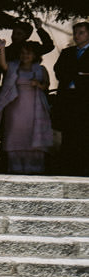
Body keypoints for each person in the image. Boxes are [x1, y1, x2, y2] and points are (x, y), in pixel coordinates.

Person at [0, 42, 53, 174]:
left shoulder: (40, 69)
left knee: (31, 132)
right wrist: (2, 48)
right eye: (22, 53)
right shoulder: (14, 66)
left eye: (28, 53)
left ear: (35, 55)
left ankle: (34, 167)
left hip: (34, 106)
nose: (25, 55)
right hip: (15, 106)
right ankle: (16, 167)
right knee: (14, 133)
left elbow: (46, 85)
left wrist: (38, 84)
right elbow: (3, 65)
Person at [54, 21, 89, 175]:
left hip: (85, 99)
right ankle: (67, 166)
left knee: (83, 133)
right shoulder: (67, 53)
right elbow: (59, 70)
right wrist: (78, 74)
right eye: (75, 33)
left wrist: (79, 74)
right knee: (68, 132)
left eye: (81, 32)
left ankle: (83, 166)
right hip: (68, 97)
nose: (77, 36)